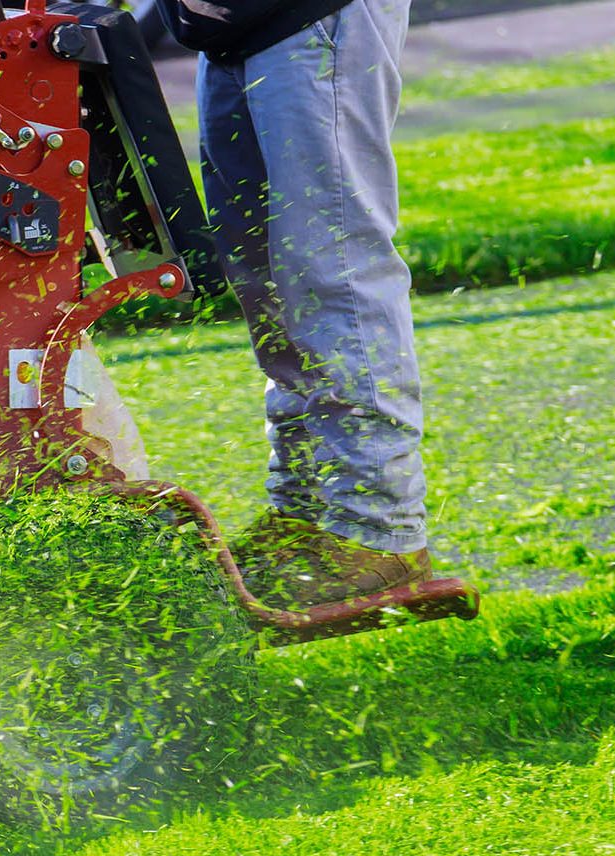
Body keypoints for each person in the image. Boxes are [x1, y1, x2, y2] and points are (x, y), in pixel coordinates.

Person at [159, 0, 431, 608]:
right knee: (263, 275)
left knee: (331, 261)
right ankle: (306, 513)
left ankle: (380, 528)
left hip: (315, 16)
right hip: (229, 28)